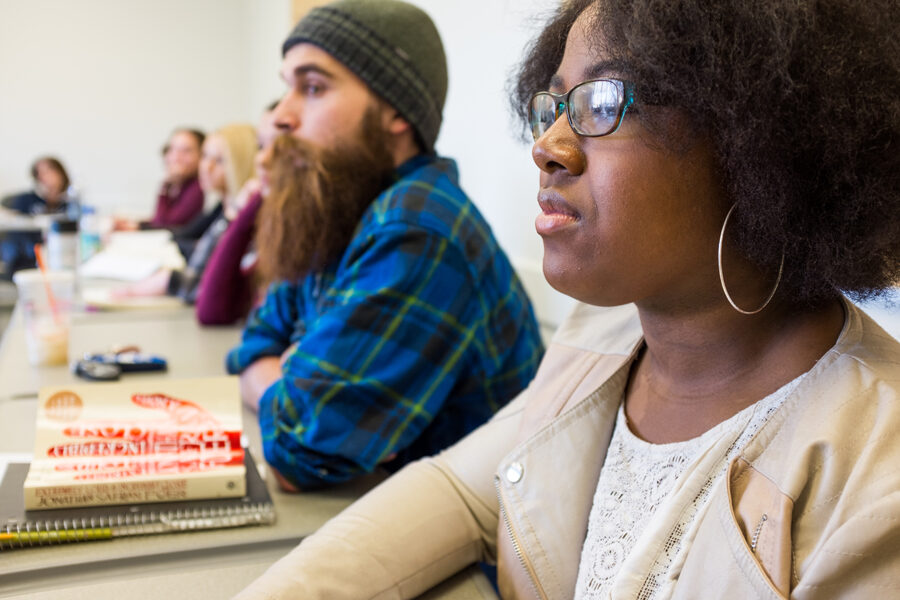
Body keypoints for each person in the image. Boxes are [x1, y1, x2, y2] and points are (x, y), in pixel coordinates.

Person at [233, 0, 900, 598]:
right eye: (554, 106)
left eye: (603, 102)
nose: (546, 148)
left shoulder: (877, 475)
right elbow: (460, 493)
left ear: (757, 137)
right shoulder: (602, 333)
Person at [226, 0, 544, 493]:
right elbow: (254, 341)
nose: (282, 116)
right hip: (383, 506)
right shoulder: (343, 203)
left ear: (395, 110)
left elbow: (299, 452)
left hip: (470, 554)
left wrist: (291, 375)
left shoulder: (417, 228)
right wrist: (285, 379)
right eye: (286, 86)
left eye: (312, 87)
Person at [113, 123, 257, 304]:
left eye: (220, 160)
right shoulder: (224, 208)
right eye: (205, 156)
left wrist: (170, 279)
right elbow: (174, 228)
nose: (207, 167)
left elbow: (177, 224)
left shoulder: (227, 209)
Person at [194, 103, 280, 325]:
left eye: (220, 160)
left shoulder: (265, 221)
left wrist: (241, 215)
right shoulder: (229, 209)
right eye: (261, 146)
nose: (206, 167)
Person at [114, 128, 205, 231]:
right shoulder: (182, 185)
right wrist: (135, 224)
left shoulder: (198, 187)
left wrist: (166, 185)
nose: (176, 157)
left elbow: (164, 223)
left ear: (202, 156)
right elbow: (162, 221)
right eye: (172, 149)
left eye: (186, 151)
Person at [0, 157, 71, 279]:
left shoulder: (70, 203)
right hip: (27, 257)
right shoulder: (25, 200)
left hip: (62, 254)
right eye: (41, 173)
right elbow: (16, 228)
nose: (47, 177)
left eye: (50, 171)